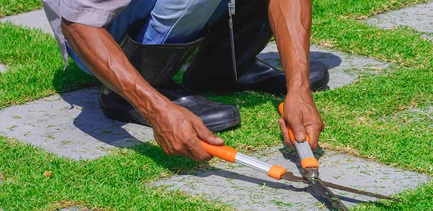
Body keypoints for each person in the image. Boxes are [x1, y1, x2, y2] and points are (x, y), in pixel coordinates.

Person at [42, 0, 329, 161]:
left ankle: (222, 69)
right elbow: (78, 26)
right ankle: (133, 87)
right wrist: (156, 109)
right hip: (96, 37)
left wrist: (299, 88)